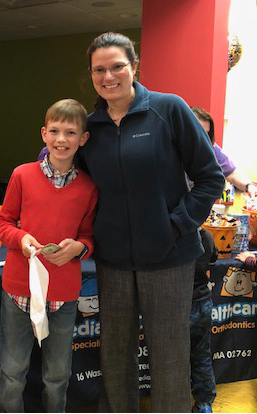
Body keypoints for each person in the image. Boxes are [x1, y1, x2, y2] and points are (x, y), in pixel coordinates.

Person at [77, 32, 225, 412]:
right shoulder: (90, 127)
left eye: (117, 67)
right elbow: (77, 183)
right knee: (115, 353)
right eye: (99, 70)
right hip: (113, 259)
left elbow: (210, 177)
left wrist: (176, 223)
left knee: (168, 352)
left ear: (134, 66)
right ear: (91, 74)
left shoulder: (168, 109)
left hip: (170, 256)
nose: (108, 76)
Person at [0, 98, 98, 413]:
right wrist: (22, 238)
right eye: (54, 131)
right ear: (43, 134)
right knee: (12, 372)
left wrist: (79, 248)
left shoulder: (88, 188)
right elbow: (3, 224)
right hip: (19, 291)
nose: (61, 139)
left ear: (83, 139)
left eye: (70, 132)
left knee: (57, 374)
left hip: (63, 295)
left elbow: (88, 236)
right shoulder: (22, 176)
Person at [190, 107, 257, 198]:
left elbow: (232, 173)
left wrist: (249, 186)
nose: (203, 139)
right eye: (199, 133)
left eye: (206, 134)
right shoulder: (170, 148)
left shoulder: (211, 148)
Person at [190, 228, 218, 413]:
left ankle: (176, 401)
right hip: (203, 301)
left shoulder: (175, 235)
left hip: (181, 305)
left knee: (176, 359)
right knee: (202, 356)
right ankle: (204, 404)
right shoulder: (205, 235)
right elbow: (214, 258)